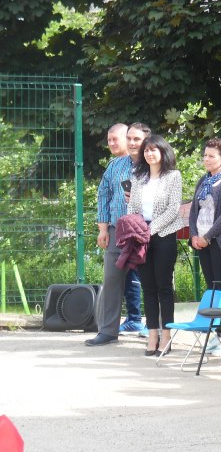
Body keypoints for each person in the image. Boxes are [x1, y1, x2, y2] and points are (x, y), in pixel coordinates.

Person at [127, 135, 182, 356]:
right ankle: (152, 335)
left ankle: (166, 336)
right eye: (146, 150)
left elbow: (173, 209)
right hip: (141, 237)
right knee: (148, 287)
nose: (149, 154)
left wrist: (151, 229)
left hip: (164, 235)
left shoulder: (173, 176)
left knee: (164, 287)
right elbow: (132, 207)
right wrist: (137, 228)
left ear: (162, 152)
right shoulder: (138, 177)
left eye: (154, 150)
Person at [188, 138, 221, 352]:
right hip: (202, 242)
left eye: (211, 156)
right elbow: (194, 211)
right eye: (205, 155)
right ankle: (219, 333)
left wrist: (208, 236)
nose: (207, 159)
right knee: (212, 287)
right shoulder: (204, 180)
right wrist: (194, 235)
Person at [86, 123, 134, 347]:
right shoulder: (114, 166)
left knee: (153, 281)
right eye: (109, 140)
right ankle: (107, 331)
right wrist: (103, 229)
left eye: (116, 139)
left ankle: (159, 332)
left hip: (146, 229)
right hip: (117, 229)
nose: (112, 143)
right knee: (112, 279)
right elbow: (103, 196)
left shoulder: (149, 162)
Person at [118, 122, 152, 338]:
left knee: (151, 277)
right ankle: (133, 320)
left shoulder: (157, 165)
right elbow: (105, 195)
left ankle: (154, 323)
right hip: (129, 229)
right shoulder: (117, 165)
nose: (131, 143)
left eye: (136, 139)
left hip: (152, 228)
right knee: (130, 274)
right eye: (129, 138)